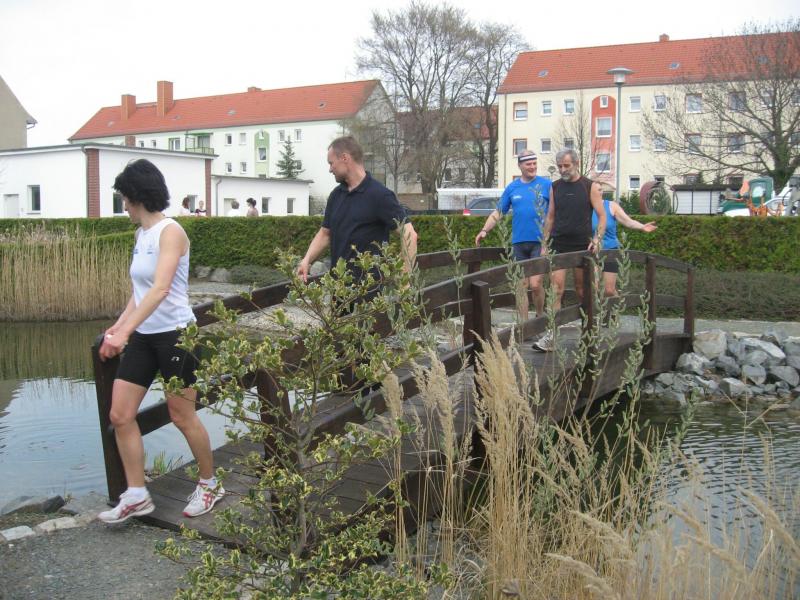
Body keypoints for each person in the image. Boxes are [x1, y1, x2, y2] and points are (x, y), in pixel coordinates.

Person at [97, 159, 223, 524]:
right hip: (144, 337)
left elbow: (161, 288)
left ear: (136, 196)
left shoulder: (171, 232)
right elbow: (140, 293)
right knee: (120, 415)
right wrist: (119, 327)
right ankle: (137, 494)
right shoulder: (141, 235)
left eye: (124, 197)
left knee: (181, 415)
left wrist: (125, 333)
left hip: (176, 336)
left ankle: (210, 483)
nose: (123, 205)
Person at [297, 136, 417, 283]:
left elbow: (409, 234)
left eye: (331, 163)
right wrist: (306, 259)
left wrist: (405, 280)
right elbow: (325, 234)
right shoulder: (336, 195)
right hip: (338, 289)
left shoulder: (380, 195)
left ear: (344, 158)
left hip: (369, 291)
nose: (330, 169)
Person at [537, 148, 606, 351]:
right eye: (559, 166)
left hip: (583, 246)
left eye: (566, 165)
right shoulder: (555, 186)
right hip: (559, 244)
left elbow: (602, 216)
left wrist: (597, 239)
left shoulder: (590, 186)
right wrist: (544, 244)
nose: (562, 170)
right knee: (555, 290)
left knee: (583, 290)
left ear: (576, 163)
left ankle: (590, 332)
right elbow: (550, 216)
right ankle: (552, 336)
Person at [474, 149, 550, 321]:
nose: (532, 167)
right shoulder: (512, 188)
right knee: (521, 285)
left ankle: (539, 317)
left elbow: (554, 213)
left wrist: (549, 240)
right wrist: (484, 230)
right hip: (519, 243)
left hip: (540, 242)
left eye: (534, 163)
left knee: (535, 284)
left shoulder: (546, 185)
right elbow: (498, 212)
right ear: (520, 165)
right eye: (528, 164)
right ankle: (524, 325)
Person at [592, 199, 657, 297]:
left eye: (600, 191)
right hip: (593, 251)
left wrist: (642, 226)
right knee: (595, 289)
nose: (599, 193)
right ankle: (600, 308)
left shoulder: (610, 206)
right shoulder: (585, 207)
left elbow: (628, 221)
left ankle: (619, 305)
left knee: (609, 290)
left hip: (610, 251)